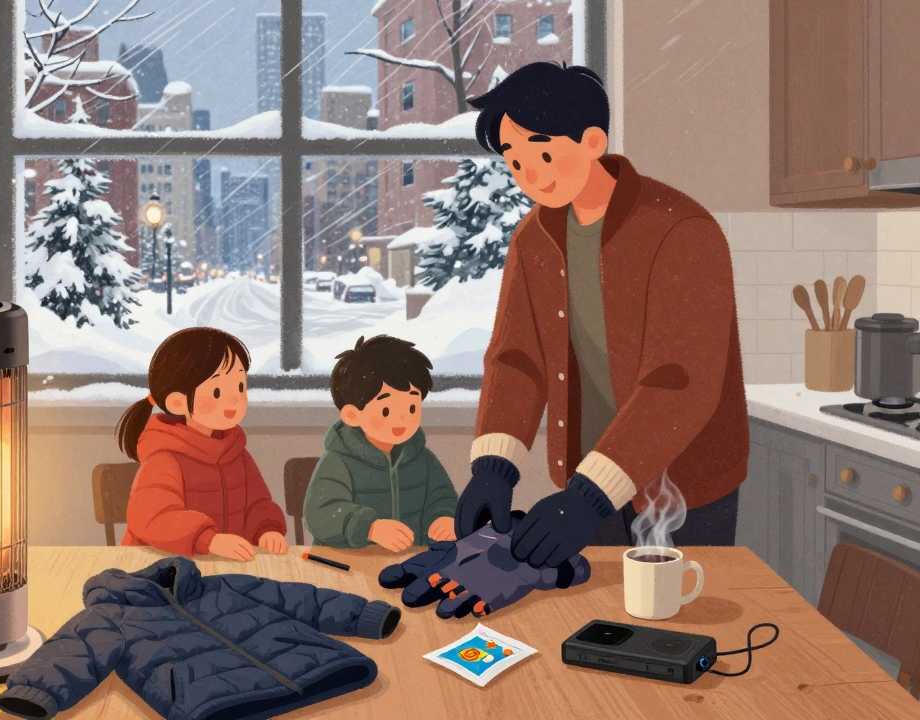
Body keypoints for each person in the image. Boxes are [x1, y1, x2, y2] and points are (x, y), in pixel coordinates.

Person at [456, 62, 748, 567]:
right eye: (514, 161)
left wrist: (588, 496)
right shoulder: (535, 239)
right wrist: (494, 468)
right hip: (585, 486)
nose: (531, 175)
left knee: (678, 629)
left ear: (593, 142)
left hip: (683, 489)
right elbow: (516, 358)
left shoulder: (681, 231)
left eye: (543, 152)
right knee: (594, 626)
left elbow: (679, 382)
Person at [117, 327, 288, 561]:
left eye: (240, 386)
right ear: (177, 403)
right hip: (159, 569)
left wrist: (267, 528)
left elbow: (258, 503)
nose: (234, 399)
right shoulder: (164, 459)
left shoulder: (236, 452)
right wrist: (208, 539)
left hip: (220, 568)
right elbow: (154, 518)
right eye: (217, 391)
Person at [303, 335, 459, 551]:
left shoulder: (424, 460)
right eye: (386, 410)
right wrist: (370, 529)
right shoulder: (338, 462)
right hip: (349, 564)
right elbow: (319, 514)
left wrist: (444, 518)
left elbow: (443, 497)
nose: (402, 420)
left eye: (411, 408)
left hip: (411, 563)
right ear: (351, 415)